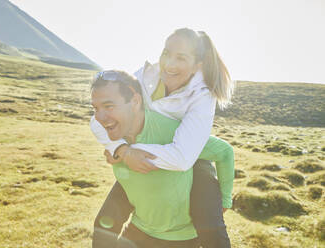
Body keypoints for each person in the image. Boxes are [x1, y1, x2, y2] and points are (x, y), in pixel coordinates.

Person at [91, 28, 234, 248]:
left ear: (198, 65)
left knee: (211, 231)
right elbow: (102, 118)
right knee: (104, 224)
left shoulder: (203, 95)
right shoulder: (145, 75)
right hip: (141, 149)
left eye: (181, 58)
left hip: (192, 156)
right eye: (166, 53)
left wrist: (224, 199)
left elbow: (184, 157)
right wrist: (122, 150)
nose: (169, 64)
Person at [91, 71, 203, 247]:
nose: (99, 116)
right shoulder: (113, 129)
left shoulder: (170, 128)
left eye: (108, 106)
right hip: (139, 218)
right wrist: (123, 150)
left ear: (135, 101)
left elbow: (223, 151)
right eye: (95, 108)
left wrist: (225, 199)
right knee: (102, 229)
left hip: (178, 235)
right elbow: (94, 123)